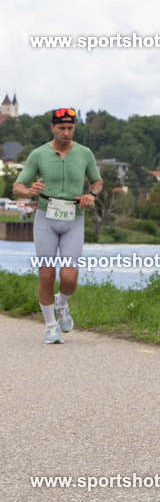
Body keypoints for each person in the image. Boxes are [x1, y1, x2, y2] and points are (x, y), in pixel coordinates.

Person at [13, 108, 102, 344]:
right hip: (46, 218)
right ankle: (51, 327)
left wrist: (91, 195)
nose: (66, 133)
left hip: (74, 219)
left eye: (70, 128)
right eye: (61, 128)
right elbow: (17, 187)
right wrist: (29, 191)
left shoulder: (84, 153)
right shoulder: (38, 154)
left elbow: (97, 181)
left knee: (69, 277)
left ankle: (61, 304)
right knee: (46, 273)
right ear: (52, 127)